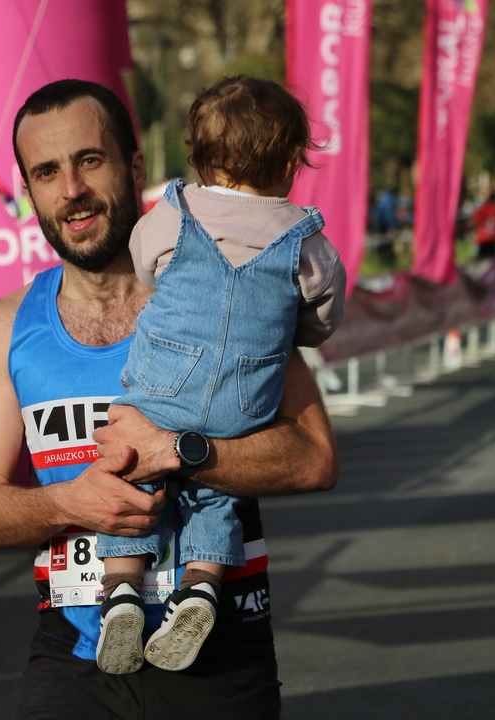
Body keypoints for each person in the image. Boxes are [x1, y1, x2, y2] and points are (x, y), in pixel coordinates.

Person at [0, 78, 338, 720]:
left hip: (219, 648)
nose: (71, 189)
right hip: (76, 657)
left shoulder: (229, 294)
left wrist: (179, 451)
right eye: (46, 173)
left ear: (135, 168)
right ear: (29, 192)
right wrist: (66, 502)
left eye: (89, 160)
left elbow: (314, 459)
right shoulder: (5, 329)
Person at [94, 75, 346, 677]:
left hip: (165, 384)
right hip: (243, 401)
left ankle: (122, 592)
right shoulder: (305, 241)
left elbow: (144, 263)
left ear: (201, 158)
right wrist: (290, 330)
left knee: (131, 470)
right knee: (219, 491)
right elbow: (324, 313)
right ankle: (202, 587)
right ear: (290, 163)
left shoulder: (175, 214)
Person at [472, 190, 495, 259]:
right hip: (493, 238)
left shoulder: (483, 208)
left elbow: (475, 221)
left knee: (482, 259)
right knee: (492, 260)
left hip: (483, 237)